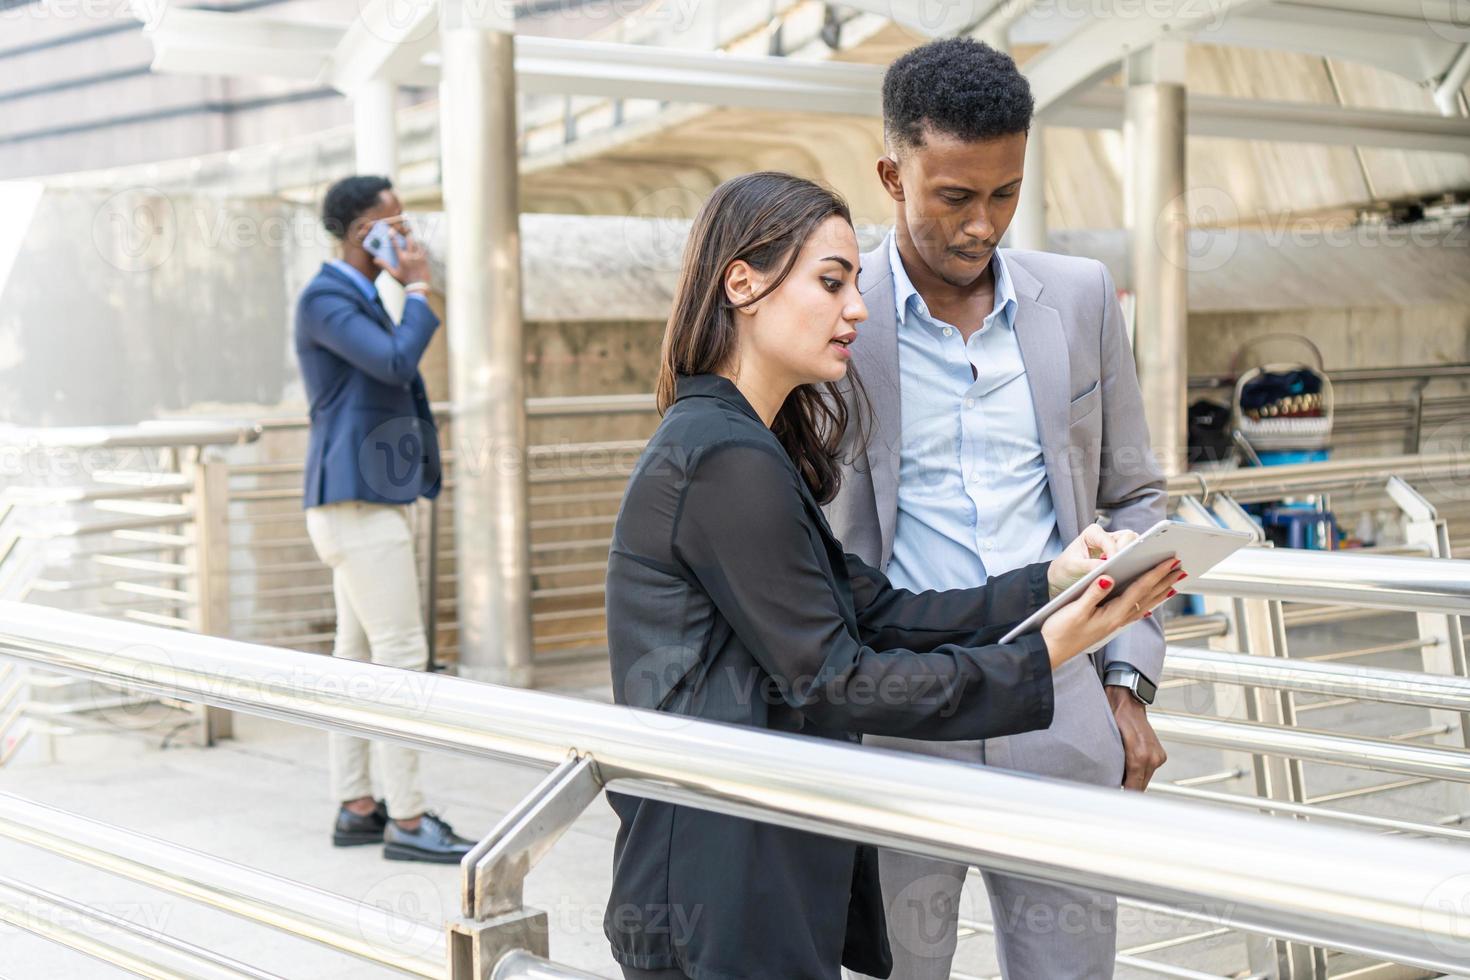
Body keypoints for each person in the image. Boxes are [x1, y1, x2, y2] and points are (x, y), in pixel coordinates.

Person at [602, 171, 1184, 980]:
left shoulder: (743, 446)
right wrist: (1045, 654)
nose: (858, 308)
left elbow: (878, 611)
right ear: (743, 283)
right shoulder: (722, 459)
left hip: (748, 864)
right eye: (832, 283)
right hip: (722, 882)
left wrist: (1048, 584)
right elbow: (839, 680)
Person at [824, 39, 1171, 980]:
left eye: (1006, 193)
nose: (984, 225)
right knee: (895, 970)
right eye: (954, 198)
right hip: (896, 715)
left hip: (1061, 703)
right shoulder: (828, 306)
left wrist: (1126, 682)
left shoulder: (1082, 295)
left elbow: (1132, 492)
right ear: (893, 174)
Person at [294, 174, 473, 863]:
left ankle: (357, 804)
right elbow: (396, 362)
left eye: (403, 219)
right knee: (401, 657)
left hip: (367, 499)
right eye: (388, 222)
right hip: (355, 504)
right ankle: (408, 818)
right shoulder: (327, 298)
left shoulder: (360, 297)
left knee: (359, 658)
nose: (402, 232)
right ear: (354, 231)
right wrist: (420, 286)